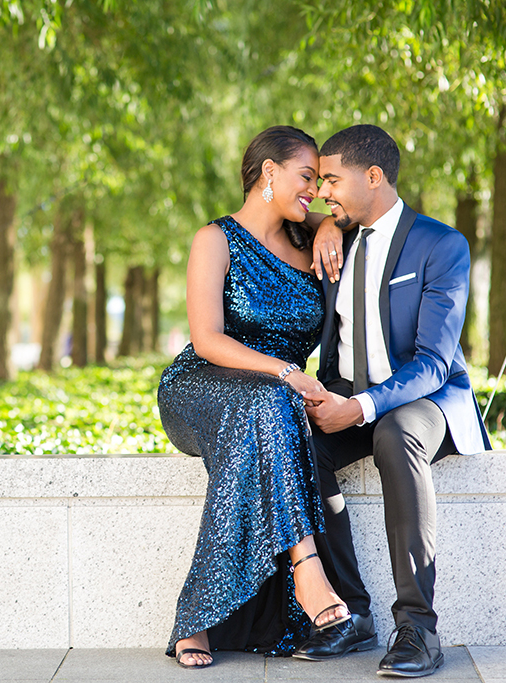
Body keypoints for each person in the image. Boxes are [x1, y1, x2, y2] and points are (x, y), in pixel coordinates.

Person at [294, 124, 492, 678]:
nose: (323, 190)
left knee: (395, 431)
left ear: (374, 176)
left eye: (332, 179)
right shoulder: (339, 236)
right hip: (347, 397)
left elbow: (433, 361)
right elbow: (289, 211)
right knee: (295, 441)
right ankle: (352, 614)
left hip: (423, 401)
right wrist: (327, 224)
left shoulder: (440, 244)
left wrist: (359, 409)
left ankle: (418, 628)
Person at [157, 125, 350, 669]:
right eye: (306, 177)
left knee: (267, 407)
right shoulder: (214, 239)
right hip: (200, 386)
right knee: (268, 400)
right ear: (269, 172)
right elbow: (207, 339)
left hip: (272, 400)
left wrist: (330, 222)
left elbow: (344, 217)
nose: (314, 189)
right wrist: (286, 371)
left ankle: (201, 618)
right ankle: (309, 573)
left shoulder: (312, 243)